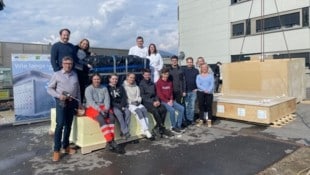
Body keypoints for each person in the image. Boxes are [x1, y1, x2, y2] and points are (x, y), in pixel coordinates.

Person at [47, 56, 81, 162]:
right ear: (62, 64)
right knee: (60, 124)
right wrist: (58, 95)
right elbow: (49, 88)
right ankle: (56, 150)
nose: (68, 65)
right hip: (61, 102)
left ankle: (65, 147)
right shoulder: (57, 74)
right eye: (66, 63)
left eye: (70, 63)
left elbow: (78, 89)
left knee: (68, 125)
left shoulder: (75, 74)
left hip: (72, 103)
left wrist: (79, 102)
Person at [84, 73, 125, 154]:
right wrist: (100, 110)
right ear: (92, 80)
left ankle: (109, 143)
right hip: (92, 108)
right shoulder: (88, 89)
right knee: (101, 119)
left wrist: (106, 108)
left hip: (104, 107)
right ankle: (111, 141)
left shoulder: (104, 88)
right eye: (95, 79)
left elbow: (107, 100)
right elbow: (91, 102)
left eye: (98, 79)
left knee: (112, 118)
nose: (96, 81)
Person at [139, 69, 174, 138]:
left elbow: (156, 94)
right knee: (156, 110)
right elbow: (143, 96)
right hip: (147, 102)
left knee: (163, 109)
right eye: (146, 75)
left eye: (148, 74)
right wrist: (152, 102)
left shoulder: (152, 83)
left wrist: (157, 100)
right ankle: (162, 128)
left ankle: (157, 128)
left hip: (155, 100)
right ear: (143, 75)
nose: (147, 76)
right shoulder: (141, 84)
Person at [123, 73, 153, 139]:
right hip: (130, 104)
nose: (132, 79)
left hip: (137, 103)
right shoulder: (124, 87)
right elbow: (125, 98)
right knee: (138, 111)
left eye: (133, 78)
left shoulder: (136, 86)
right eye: (130, 77)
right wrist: (132, 102)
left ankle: (144, 130)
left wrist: (138, 101)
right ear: (127, 77)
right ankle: (146, 130)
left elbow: (139, 96)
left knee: (144, 110)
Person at [156, 68, 185, 133]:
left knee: (182, 108)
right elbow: (159, 95)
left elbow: (171, 92)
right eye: (165, 74)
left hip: (170, 100)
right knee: (172, 110)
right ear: (162, 74)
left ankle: (178, 125)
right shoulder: (158, 83)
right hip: (163, 101)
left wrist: (171, 99)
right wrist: (167, 101)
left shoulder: (169, 82)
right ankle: (173, 126)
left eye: (167, 74)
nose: (166, 75)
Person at [107, 73, 131, 140]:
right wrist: (119, 107)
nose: (115, 80)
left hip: (122, 105)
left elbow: (124, 97)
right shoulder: (107, 88)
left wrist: (122, 106)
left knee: (128, 112)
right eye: (113, 79)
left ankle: (123, 132)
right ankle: (126, 131)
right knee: (119, 114)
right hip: (114, 106)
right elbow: (110, 100)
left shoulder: (120, 87)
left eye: (116, 79)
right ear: (109, 79)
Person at [75, 38, 93, 103]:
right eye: (84, 43)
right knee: (76, 89)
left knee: (82, 89)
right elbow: (76, 59)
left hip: (84, 73)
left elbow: (86, 57)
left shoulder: (86, 52)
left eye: (86, 44)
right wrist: (86, 64)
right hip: (77, 71)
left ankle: (81, 104)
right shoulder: (75, 49)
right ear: (80, 43)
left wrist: (91, 54)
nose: (85, 45)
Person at [183, 57, 199, 125]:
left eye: (191, 62)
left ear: (192, 63)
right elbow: (182, 81)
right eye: (188, 62)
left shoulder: (196, 70)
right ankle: (186, 119)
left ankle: (191, 119)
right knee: (186, 106)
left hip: (193, 91)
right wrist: (183, 90)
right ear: (186, 63)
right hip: (186, 91)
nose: (190, 63)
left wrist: (197, 88)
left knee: (192, 106)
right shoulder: (183, 70)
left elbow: (198, 80)